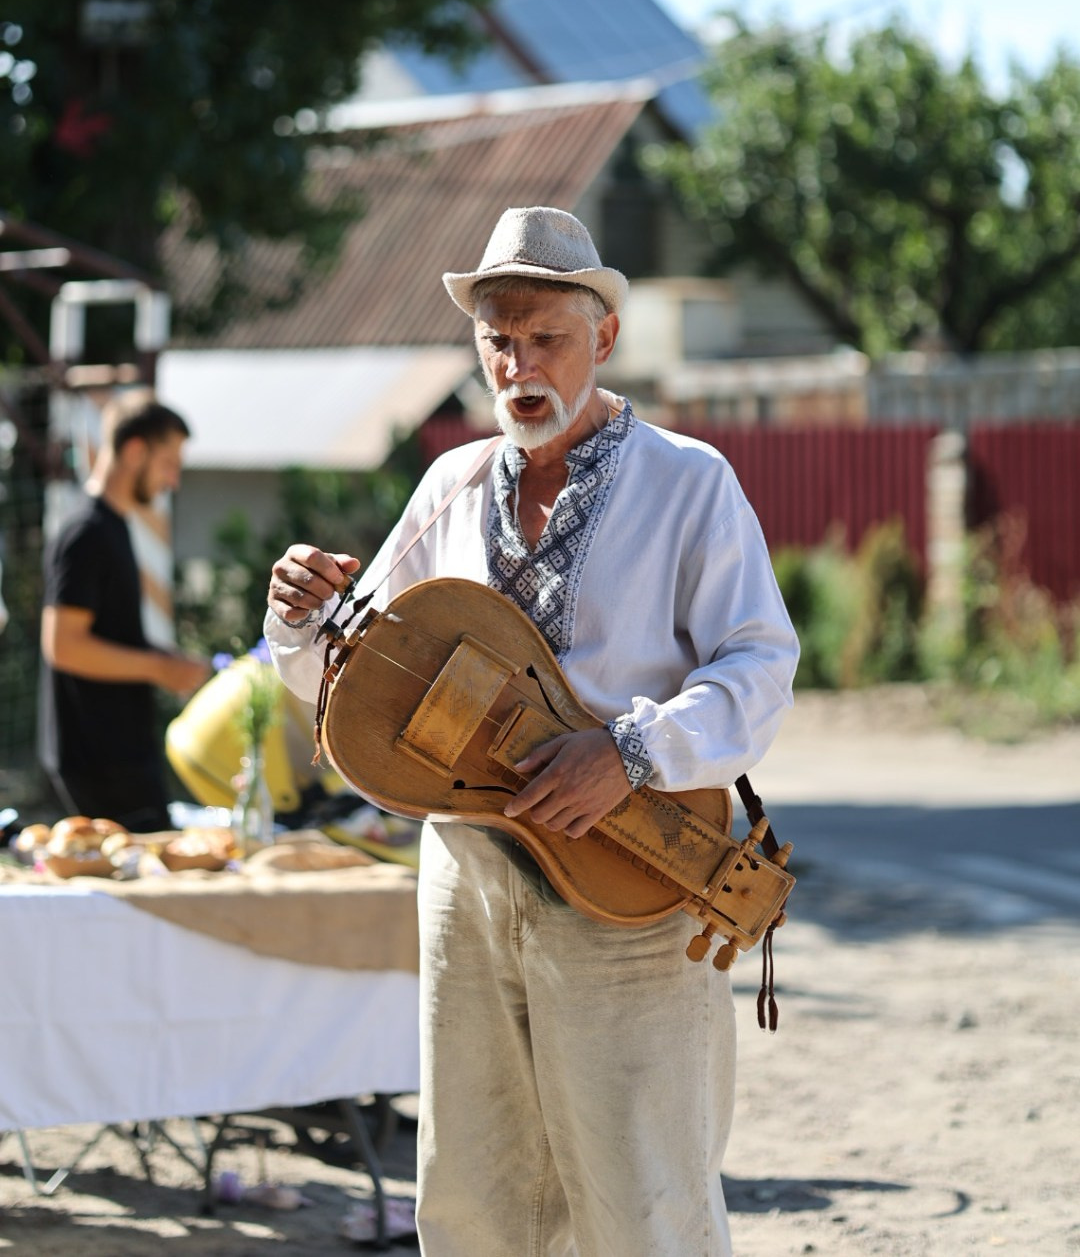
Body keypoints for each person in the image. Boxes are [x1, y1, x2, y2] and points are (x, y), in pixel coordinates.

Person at [264, 206, 799, 1257]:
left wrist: (631, 752)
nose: (518, 366)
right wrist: (300, 618)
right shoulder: (449, 487)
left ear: (605, 337)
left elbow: (760, 668)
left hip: (630, 874)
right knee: (473, 1194)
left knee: (645, 1195)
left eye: (546, 337)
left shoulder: (688, 481)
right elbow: (358, 684)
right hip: (466, 882)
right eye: (497, 340)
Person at [39, 390, 210, 832]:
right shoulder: (86, 532)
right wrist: (158, 667)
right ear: (135, 451)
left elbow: (107, 633)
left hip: (119, 754)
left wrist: (165, 659)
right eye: (168, 463)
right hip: (100, 761)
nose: (173, 481)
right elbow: (63, 646)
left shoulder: (111, 527)